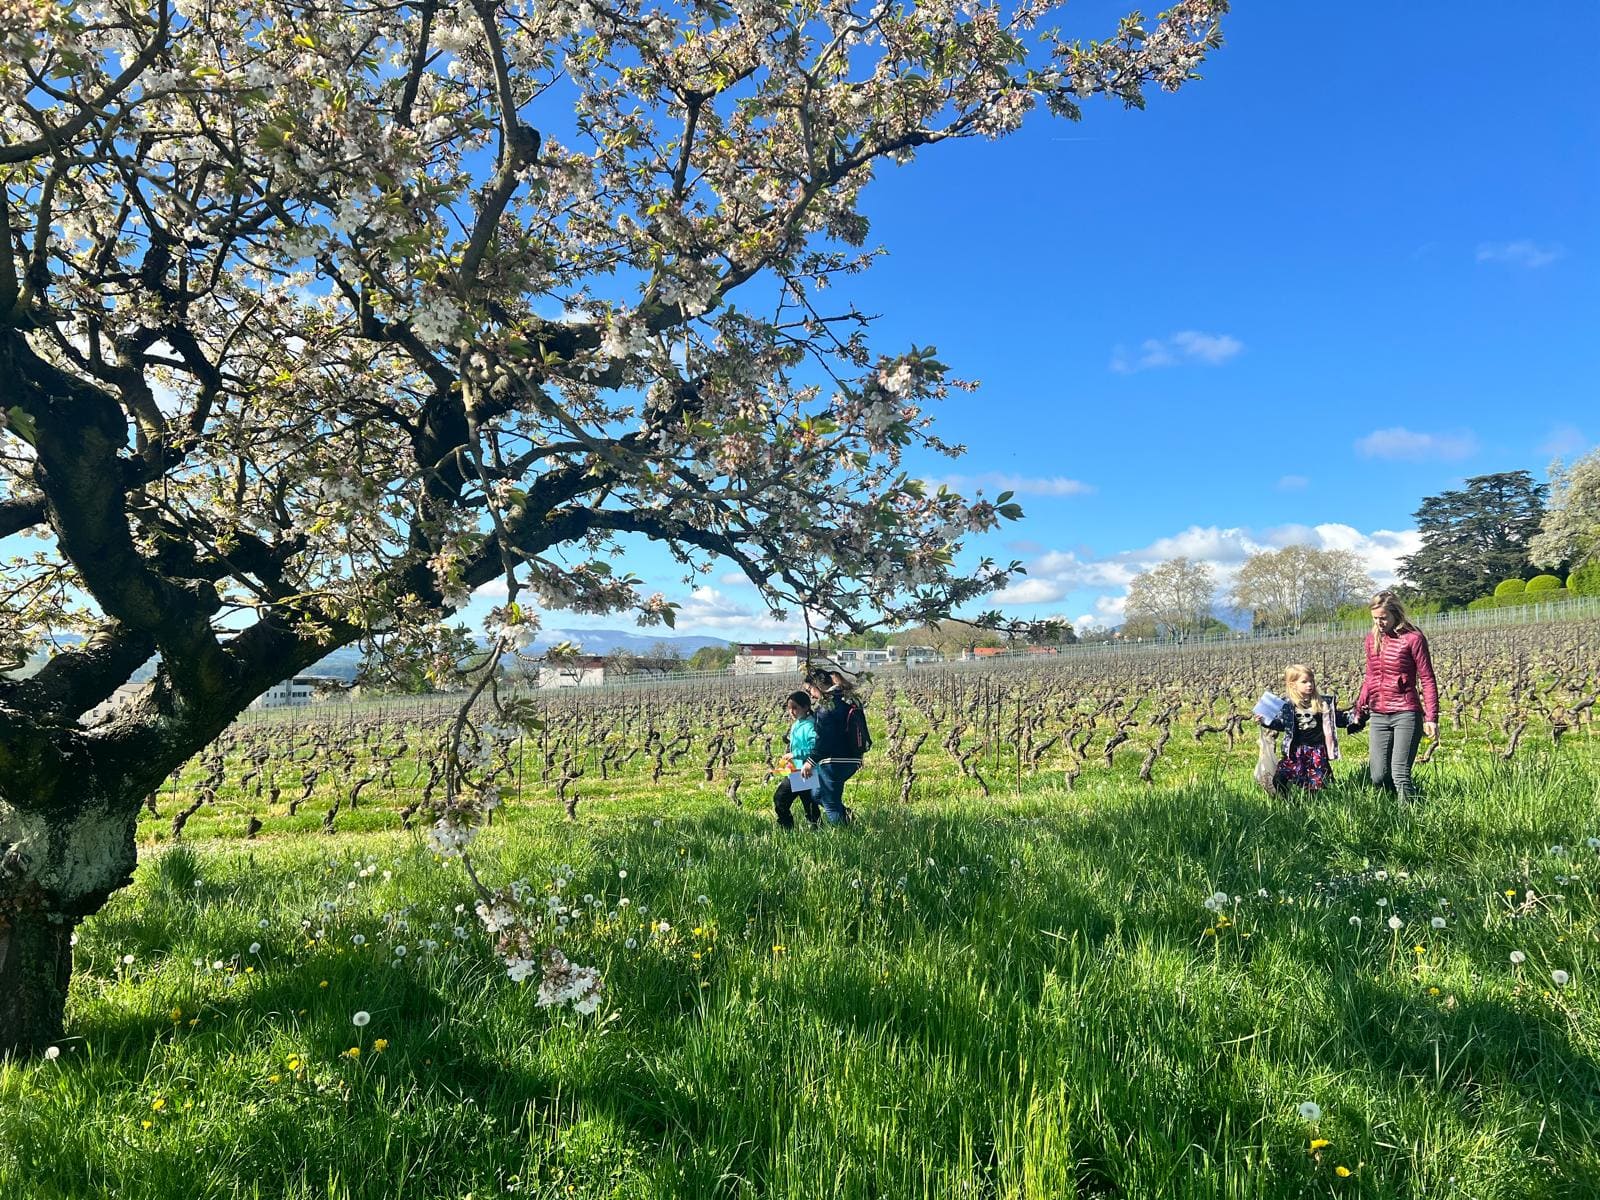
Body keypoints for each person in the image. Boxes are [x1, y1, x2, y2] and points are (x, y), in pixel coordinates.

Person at [1352, 590, 1439, 802]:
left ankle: (1408, 819)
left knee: (1400, 773)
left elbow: (1427, 678)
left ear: (1395, 614)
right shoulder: (1372, 639)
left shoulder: (1413, 638)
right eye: (1375, 619)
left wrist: (1431, 718)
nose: (1379, 623)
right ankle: (1399, 806)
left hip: (1405, 712)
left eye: (1384, 618)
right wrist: (1359, 711)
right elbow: (1370, 678)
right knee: (1378, 776)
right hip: (1379, 714)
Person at [1256, 663, 1357, 794]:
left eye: (1311, 681)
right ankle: (1289, 804)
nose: (1309, 685)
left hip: (1316, 751)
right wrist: (1265, 721)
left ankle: (1313, 806)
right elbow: (1282, 724)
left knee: (1314, 785)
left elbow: (1336, 719)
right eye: (1304, 682)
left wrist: (1355, 717)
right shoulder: (1288, 705)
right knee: (1280, 778)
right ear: (1293, 684)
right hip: (1296, 751)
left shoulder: (1322, 703)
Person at [803, 664, 865, 826]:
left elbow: (824, 740)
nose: (811, 696)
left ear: (816, 686)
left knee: (830, 802)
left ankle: (843, 837)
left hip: (834, 761)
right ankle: (847, 818)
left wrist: (810, 762)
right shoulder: (848, 699)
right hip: (853, 757)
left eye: (810, 690)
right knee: (816, 794)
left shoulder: (826, 707)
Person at [772, 690, 821, 830]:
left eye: (795, 708)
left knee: (809, 806)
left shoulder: (810, 726)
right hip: (795, 771)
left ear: (806, 707)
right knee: (780, 799)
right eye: (789, 708)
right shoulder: (797, 724)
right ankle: (787, 828)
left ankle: (816, 831)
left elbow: (815, 748)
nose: (791, 711)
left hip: (806, 771)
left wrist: (795, 754)